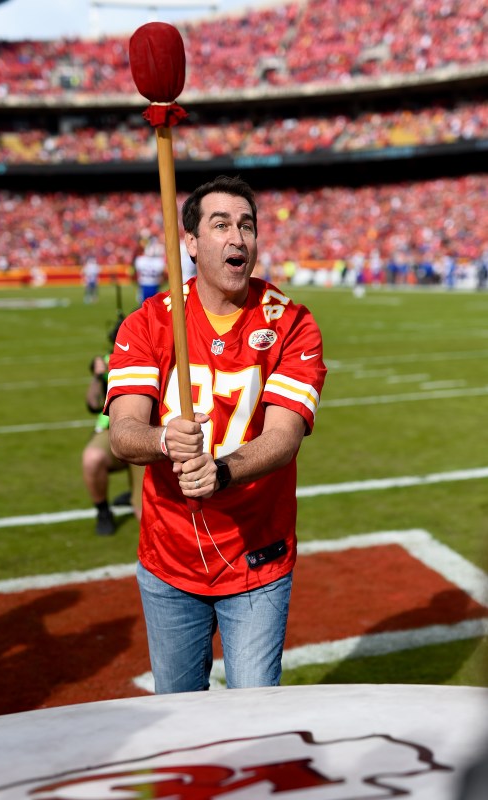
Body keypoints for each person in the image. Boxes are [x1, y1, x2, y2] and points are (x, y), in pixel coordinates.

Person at [105, 175, 327, 693]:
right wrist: (164, 440)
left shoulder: (293, 322)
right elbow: (123, 431)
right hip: (170, 558)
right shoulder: (149, 322)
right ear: (191, 242)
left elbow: (284, 437)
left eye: (247, 226)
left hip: (257, 556)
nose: (237, 238)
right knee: (179, 717)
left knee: (253, 719)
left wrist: (221, 471)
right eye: (221, 224)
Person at [83, 350, 144, 535]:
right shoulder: (111, 359)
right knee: (92, 458)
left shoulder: (160, 352)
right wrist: (98, 377)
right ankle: (103, 511)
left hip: (147, 433)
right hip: (111, 429)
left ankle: (136, 493)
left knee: (145, 515)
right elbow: (93, 405)